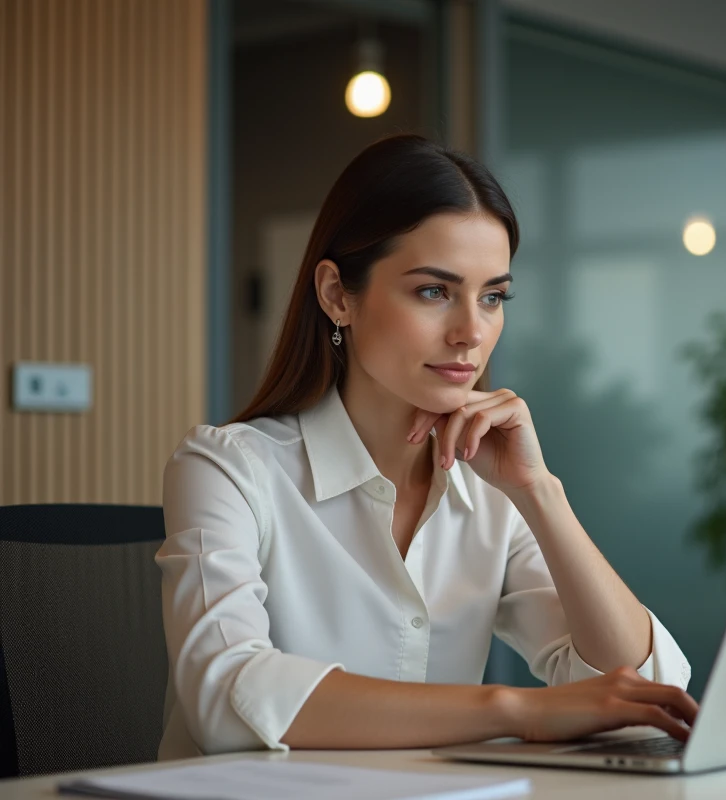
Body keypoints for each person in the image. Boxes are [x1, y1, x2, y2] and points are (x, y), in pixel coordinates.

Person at [156, 134, 696, 760]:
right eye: (434, 291)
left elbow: (647, 694)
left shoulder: (492, 494)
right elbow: (225, 697)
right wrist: (515, 710)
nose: (471, 332)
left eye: (493, 297)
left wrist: (539, 492)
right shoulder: (228, 468)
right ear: (337, 295)